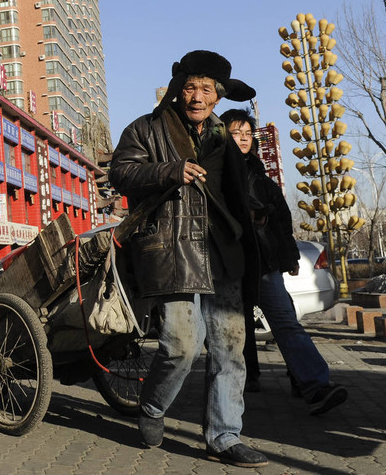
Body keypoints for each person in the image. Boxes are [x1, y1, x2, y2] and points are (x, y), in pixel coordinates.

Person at [110, 50, 268, 468]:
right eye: (191, 87)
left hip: (221, 252)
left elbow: (235, 186)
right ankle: (152, 406)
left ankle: (224, 436)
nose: (198, 96)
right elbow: (120, 172)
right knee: (181, 343)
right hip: (173, 249)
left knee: (230, 348)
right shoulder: (145, 128)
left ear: (218, 97)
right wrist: (168, 171)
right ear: (179, 90)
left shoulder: (223, 135)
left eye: (207, 89)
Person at [220, 108, 349, 416]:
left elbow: (281, 220)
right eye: (235, 133)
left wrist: (289, 256)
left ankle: (315, 387)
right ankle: (229, 399)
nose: (242, 139)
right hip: (228, 266)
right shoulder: (215, 172)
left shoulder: (261, 178)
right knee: (229, 333)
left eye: (247, 134)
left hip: (263, 266)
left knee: (286, 324)